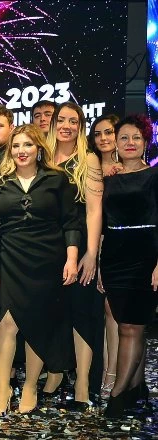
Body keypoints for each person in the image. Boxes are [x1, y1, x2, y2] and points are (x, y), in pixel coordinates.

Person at [0, 124, 79, 416]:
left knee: (38, 324)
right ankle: (2, 391)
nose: (21, 151)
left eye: (27, 145)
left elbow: (71, 222)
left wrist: (72, 259)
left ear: (39, 148)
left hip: (48, 260)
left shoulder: (57, 179)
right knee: (6, 324)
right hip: (10, 258)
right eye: (16, 146)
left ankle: (29, 388)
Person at [46, 102, 104, 409]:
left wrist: (91, 253)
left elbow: (94, 210)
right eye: (61, 120)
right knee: (54, 313)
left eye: (73, 121)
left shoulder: (88, 159)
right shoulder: (42, 155)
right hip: (46, 244)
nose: (66, 126)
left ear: (80, 126)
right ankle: (55, 373)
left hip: (79, 243)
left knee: (81, 313)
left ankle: (82, 384)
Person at [101, 115, 157, 418]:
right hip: (114, 256)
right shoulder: (110, 177)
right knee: (127, 323)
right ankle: (136, 388)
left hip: (146, 256)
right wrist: (99, 264)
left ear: (146, 142)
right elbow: (102, 224)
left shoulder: (154, 176)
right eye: (124, 137)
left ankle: (118, 394)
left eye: (136, 137)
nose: (130, 143)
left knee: (131, 326)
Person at [88, 114, 121, 397]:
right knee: (100, 313)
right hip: (96, 245)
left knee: (115, 311)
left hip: (123, 246)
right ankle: (103, 370)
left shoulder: (131, 167)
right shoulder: (90, 165)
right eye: (97, 134)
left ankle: (114, 373)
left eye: (108, 132)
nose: (103, 139)